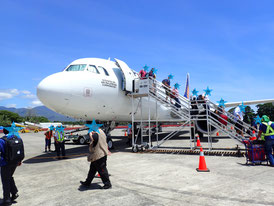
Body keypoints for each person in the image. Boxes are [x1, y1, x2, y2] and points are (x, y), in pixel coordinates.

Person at [0, 128, 23, 205]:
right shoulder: (18, 138)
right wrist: (19, 161)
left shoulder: (2, 140)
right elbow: (21, 150)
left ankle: (7, 199)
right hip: (15, 162)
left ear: (4, 131)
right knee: (9, 177)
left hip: (5, 163)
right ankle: (14, 193)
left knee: (5, 180)